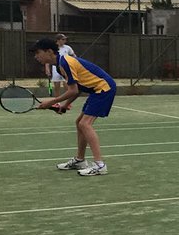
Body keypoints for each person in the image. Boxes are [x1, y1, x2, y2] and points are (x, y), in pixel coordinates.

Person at [29, 37, 116, 176]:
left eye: (38, 53)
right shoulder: (59, 64)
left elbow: (73, 91)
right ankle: (80, 160)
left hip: (103, 88)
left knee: (85, 124)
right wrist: (64, 105)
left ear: (49, 51)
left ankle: (100, 165)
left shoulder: (65, 63)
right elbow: (78, 88)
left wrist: (50, 102)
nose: (36, 57)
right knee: (79, 123)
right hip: (95, 90)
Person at [45, 33, 77, 103]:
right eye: (63, 39)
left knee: (67, 85)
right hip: (55, 68)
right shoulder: (53, 48)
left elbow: (73, 55)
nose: (65, 41)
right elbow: (48, 59)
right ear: (58, 40)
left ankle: (68, 102)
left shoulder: (68, 48)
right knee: (57, 85)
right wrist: (47, 69)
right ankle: (57, 102)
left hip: (66, 68)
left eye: (65, 39)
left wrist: (76, 61)